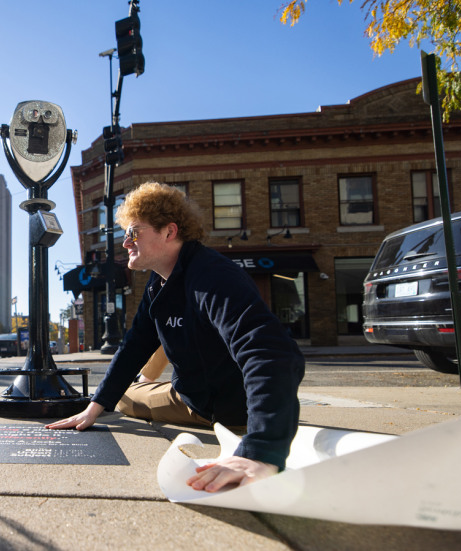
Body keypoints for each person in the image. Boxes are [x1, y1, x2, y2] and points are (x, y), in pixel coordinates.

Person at [47, 182, 304, 492]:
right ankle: (138, 386)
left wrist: (262, 451)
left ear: (169, 232)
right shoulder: (158, 284)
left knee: (139, 381)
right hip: (188, 397)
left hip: (236, 412)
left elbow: (271, 352)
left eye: (134, 233)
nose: (126, 243)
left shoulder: (214, 277)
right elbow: (133, 346)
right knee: (124, 395)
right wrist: (93, 408)